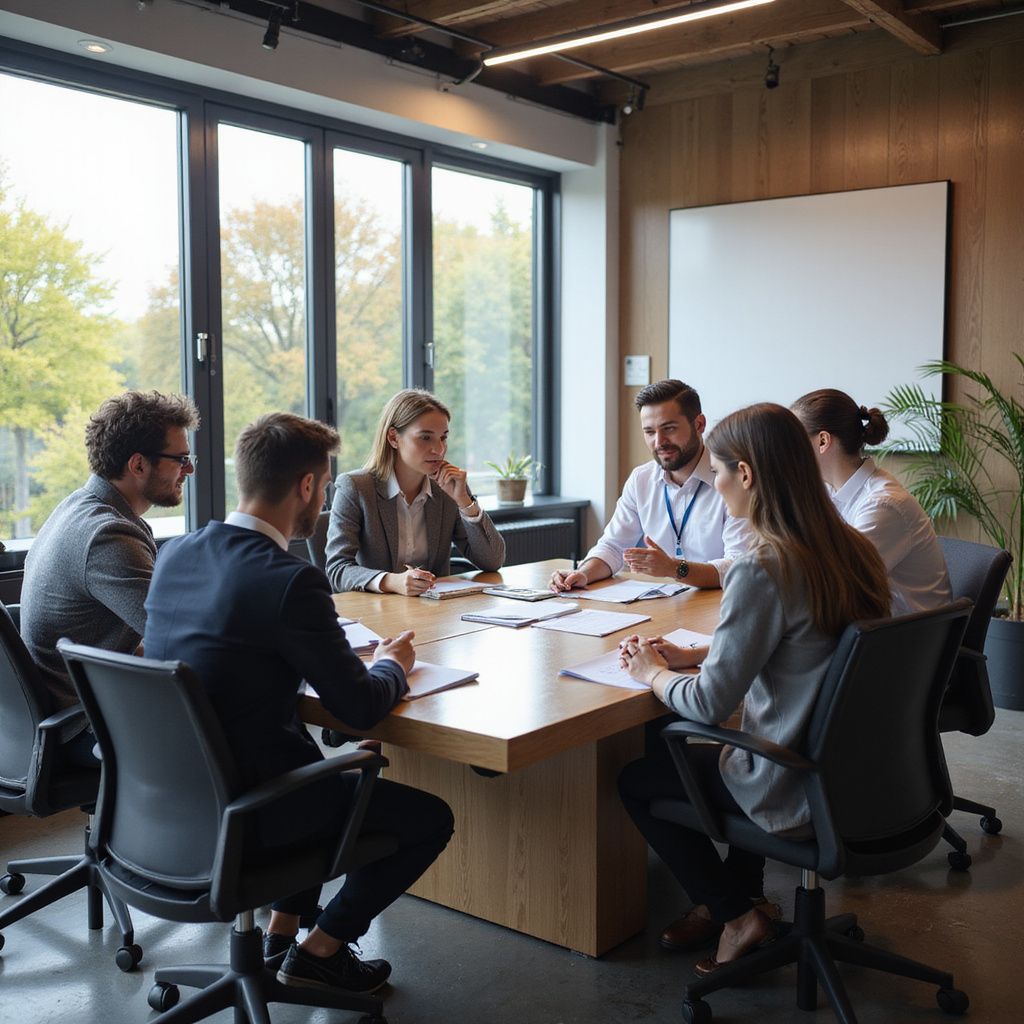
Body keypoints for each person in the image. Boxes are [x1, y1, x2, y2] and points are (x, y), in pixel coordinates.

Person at [143, 411, 454, 997]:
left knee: (310, 770)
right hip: (252, 813)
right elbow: (359, 707)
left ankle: (281, 933)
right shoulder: (289, 578)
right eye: (326, 483)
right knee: (429, 818)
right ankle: (322, 948)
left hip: (166, 807)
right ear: (307, 487)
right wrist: (394, 663)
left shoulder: (178, 553)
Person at [617, 403, 890, 976]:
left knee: (639, 778)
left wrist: (653, 673)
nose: (714, 485)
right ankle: (750, 900)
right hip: (863, 775)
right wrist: (701, 653)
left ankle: (735, 912)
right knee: (714, 752)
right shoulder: (852, 549)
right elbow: (804, 645)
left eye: (716, 472)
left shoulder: (762, 566)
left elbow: (709, 704)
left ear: (745, 475)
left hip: (793, 780)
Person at [20, 390, 199, 764]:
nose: (190, 469)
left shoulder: (78, 507)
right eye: (181, 459)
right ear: (138, 465)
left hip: (72, 708)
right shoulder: (108, 536)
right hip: (84, 725)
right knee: (245, 721)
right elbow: (177, 636)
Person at [549, 379, 747, 594]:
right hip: (667, 606)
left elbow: (737, 567)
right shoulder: (641, 479)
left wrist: (674, 569)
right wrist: (584, 573)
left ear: (699, 424)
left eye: (669, 428)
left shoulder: (734, 479)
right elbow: (613, 546)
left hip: (719, 604)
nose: (659, 442)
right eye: (650, 432)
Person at [325, 388, 505, 595]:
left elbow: (492, 561)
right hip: (377, 614)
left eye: (443, 438)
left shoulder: (447, 488)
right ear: (393, 437)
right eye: (425, 438)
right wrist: (391, 581)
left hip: (434, 615)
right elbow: (337, 570)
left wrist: (464, 502)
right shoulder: (355, 487)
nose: (438, 449)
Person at [791, 388, 951, 615]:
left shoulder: (882, 505)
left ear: (823, 441)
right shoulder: (829, 491)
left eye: (794, 440)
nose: (788, 451)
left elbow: (835, 586)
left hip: (902, 641)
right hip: (865, 629)